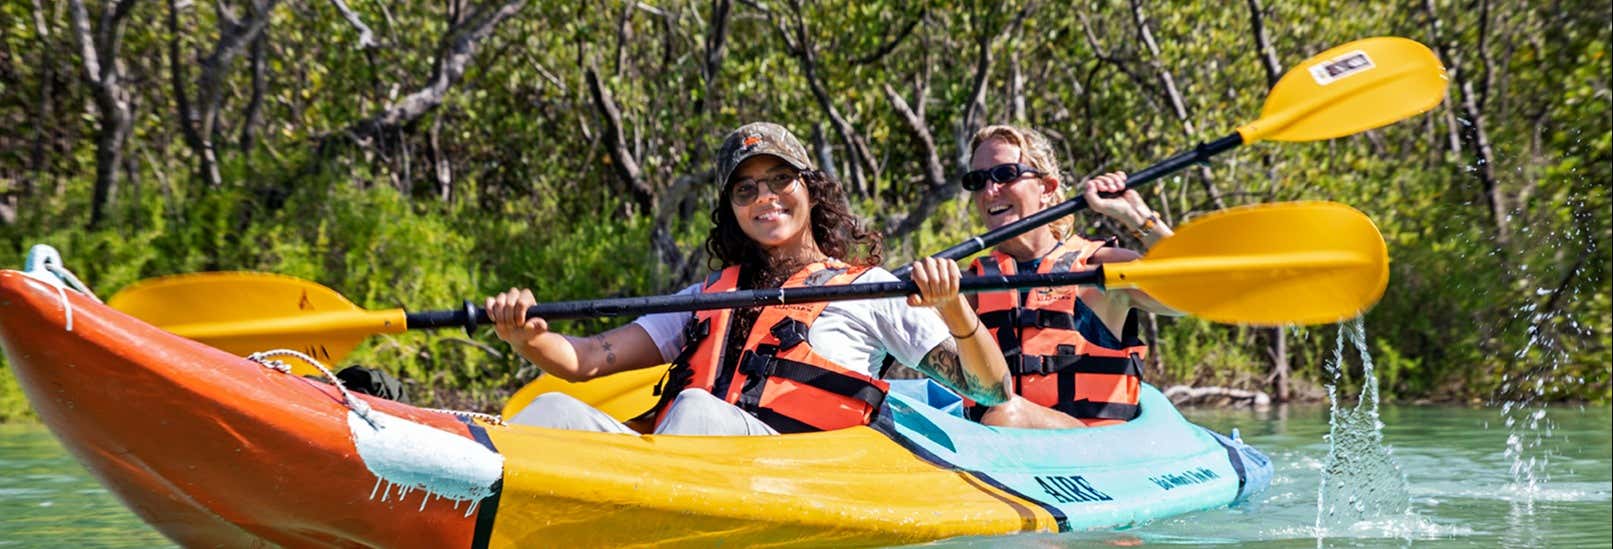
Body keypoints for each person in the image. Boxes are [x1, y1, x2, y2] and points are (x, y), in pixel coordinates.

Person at [487, 122, 1012, 435]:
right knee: (550, 410)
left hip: (793, 475)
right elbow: (584, 360)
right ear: (732, 211)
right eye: (746, 189)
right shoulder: (705, 298)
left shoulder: (868, 290)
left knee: (696, 410)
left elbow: (990, 390)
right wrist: (526, 337)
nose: (765, 197)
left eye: (780, 179)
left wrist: (953, 307)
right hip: (686, 465)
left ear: (810, 190)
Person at [958, 124, 1182, 429]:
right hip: (998, 445)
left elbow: (1194, 293)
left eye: (1005, 174)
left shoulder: (1099, 270)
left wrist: (1138, 217)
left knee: (1006, 414)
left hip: (1091, 445)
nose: (989, 191)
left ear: (1047, 189)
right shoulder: (970, 285)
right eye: (977, 180)